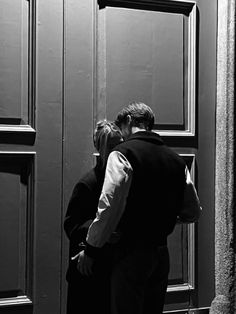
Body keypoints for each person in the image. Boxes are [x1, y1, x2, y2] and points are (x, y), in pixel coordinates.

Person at [77, 102, 202, 314]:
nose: (121, 134)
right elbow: (193, 211)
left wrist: (91, 249)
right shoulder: (176, 160)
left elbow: (109, 207)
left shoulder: (123, 153)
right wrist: (165, 216)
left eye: (121, 128)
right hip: (161, 255)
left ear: (128, 122)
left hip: (131, 254)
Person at [64, 120, 123, 314]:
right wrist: (102, 234)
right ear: (100, 147)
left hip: (110, 265)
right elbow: (72, 224)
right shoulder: (88, 183)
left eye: (119, 144)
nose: (118, 150)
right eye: (112, 146)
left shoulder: (119, 178)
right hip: (90, 267)